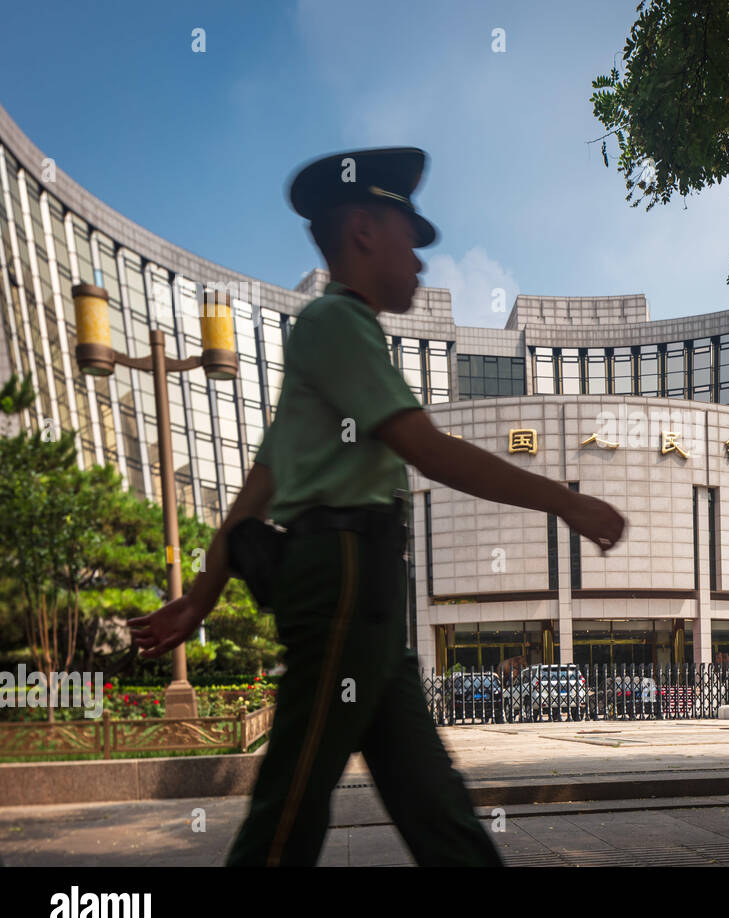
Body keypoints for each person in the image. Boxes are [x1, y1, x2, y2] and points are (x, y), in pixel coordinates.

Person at [127, 147, 626, 866]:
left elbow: (251, 495)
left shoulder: (327, 344)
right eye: (407, 234)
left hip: (364, 591)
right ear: (362, 229)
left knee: (434, 805)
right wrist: (564, 502)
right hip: (342, 579)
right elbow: (424, 447)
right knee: (290, 809)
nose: (421, 260)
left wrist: (201, 598)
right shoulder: (336, 326)